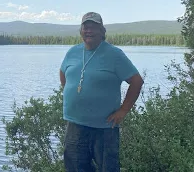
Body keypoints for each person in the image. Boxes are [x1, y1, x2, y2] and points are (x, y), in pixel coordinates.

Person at [59, 12, 144, 172]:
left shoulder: (114, 54)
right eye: (85, 27)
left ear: (102, 31)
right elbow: (63, 72)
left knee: (108, 169)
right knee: (75, 168)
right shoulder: (73, 52)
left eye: (93, 27)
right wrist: (73, 93)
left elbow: (136, 81)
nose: (88, 31)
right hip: (75, 125)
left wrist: (123, 110)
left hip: (104, 127)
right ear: (81, 30)